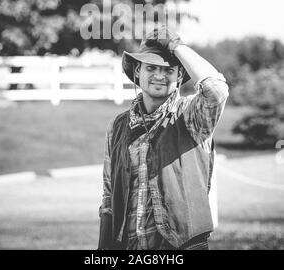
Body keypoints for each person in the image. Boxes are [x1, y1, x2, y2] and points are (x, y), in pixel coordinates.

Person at [98, 25, 229, 250]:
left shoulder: (190, 115)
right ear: (138, 71)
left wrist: (176, 46)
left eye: (168, 70)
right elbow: (109, 198)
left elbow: (217, 91)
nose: (159, 75)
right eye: (151, 68)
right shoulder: (118, 126)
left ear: (179, 76)